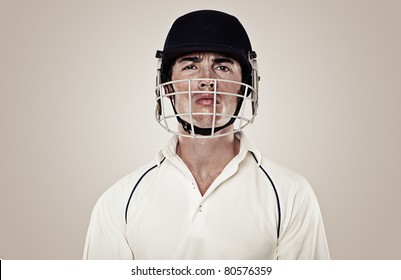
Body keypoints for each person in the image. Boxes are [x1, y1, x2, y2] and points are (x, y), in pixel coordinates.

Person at [83, 10, 330, 260]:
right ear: (167, 87)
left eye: (222, 66)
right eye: (190, 65)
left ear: (247, 86)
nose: (206, 80)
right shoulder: (121, 200)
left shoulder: (290, 194)